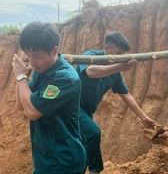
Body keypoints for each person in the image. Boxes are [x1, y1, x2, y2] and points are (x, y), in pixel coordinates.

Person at [75, 31, 156, 174]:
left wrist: (143, 117)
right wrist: (119, 67)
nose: (121, 58)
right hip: (71, 107)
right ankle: (95, 171)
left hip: (87, 111)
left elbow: (126, 95)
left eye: (123, 55)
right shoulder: (91, 55)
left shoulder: (115, 73)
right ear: (107, 48)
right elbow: (90, 72)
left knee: (81, 145)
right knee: (94, 132)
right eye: (118, 53)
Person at [12, 22, 86, 174]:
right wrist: (22, 78)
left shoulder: (65, 77)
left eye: (36, 56)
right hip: (45, 158)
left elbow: (32, 112)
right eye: (28, 55)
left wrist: (21, 77)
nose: (32, 62)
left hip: (64, 161)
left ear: (54, 51)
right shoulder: (42, 70)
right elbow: (22, 106)